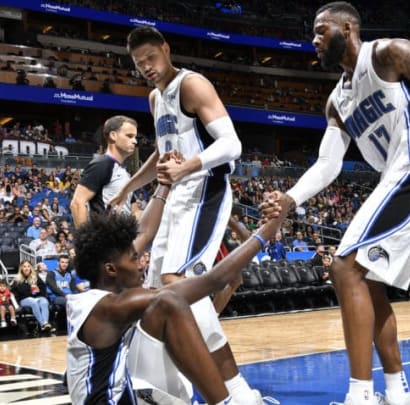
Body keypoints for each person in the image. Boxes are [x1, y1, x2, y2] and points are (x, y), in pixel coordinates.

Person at [265, 3, 410, 404]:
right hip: (398, 174)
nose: (314, 40)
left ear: (348, 28)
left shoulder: (389, 53)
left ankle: (360, 395)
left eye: (322, 31)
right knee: (365, 282)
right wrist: (290, 197)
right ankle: (397, 390)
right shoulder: (337, 100)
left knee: (344, 267)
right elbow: (327, 163)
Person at [109, 26, 257, 403]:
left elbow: (232, 144)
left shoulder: (193, 85)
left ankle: (238, 392)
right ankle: (167, 386)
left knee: (177, 282)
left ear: (166, 49)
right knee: (158, 293)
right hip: (177, 193)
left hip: (206, 188)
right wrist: (129, 187)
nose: (146, 68)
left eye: (151, 59)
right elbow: (162, 154)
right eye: (139, 64)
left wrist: (187, 167)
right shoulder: (155, 98)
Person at [66, 190, 289, 404]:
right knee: (167, 303)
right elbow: (213, 281)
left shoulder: (100, 297)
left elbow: (144, 233)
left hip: (125, 396)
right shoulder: (109, 308)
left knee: (162, 307)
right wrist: (268, 230)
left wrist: (164, 184)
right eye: (134, 259)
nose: (141, 263)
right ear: (111, 270)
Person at [70, 115, 139, 227]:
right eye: (129, 136)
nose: (135, 141)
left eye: (135, 137)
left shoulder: (124, 172)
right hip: (105, 239)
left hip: (123, 239)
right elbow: (77, 203)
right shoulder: (101, 164)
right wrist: (86, 242)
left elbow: (133, 208)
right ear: (113, 135)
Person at [11, 260, 53, 333]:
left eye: (28, 266)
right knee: (33, 302)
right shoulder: (17, 279)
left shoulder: (35, 276)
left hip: (36, 297)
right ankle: (43, 324)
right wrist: (31, 292)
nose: (26, 268)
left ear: (31, 268)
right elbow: (19, 293)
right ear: (21, 268)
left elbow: (43, 288)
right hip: (23, 299)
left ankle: (46, 322)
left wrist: (38, 290)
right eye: (24, 267)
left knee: (44, 301)